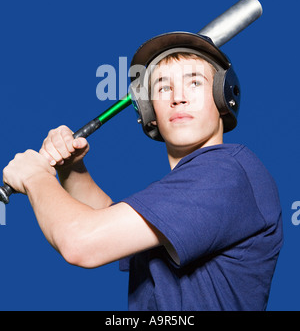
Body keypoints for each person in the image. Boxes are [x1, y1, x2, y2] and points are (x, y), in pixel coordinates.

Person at [2, 32, 283, 311]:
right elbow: (109, 224)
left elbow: (82, 242)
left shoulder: (226, 173)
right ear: (149, 110)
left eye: (194, 82)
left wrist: (34, 176)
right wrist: (72, 169)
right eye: (162, 87)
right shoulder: (190, 189)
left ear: (222, 96)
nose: (178, 98)